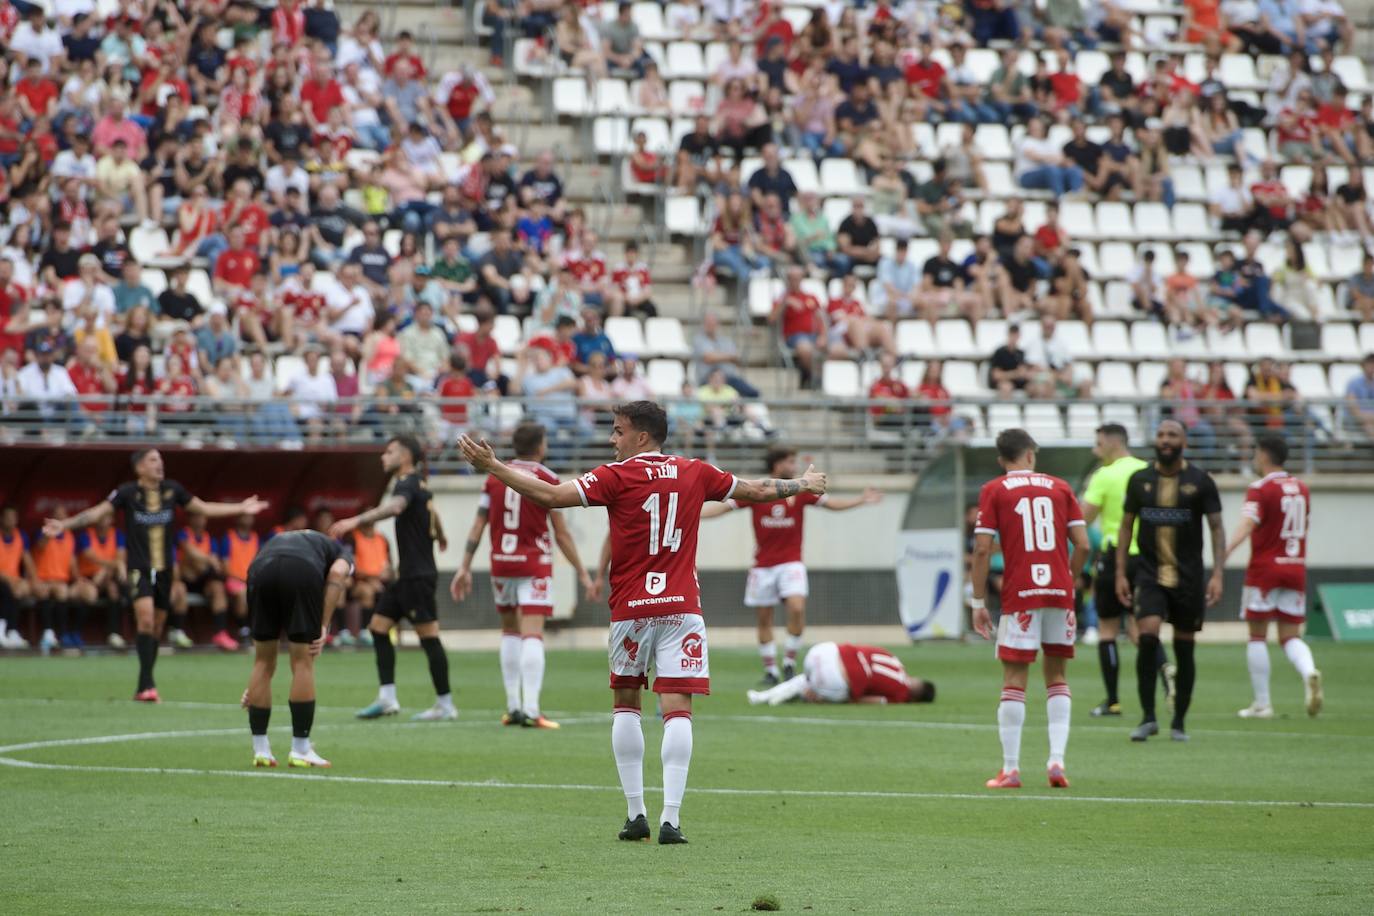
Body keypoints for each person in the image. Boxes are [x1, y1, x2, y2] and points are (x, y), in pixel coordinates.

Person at [456, 401, 827, 845]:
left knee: (626, 701)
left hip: (632, 610)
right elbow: (758, 490)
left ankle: (636, 814)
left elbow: (550, 496)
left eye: (617, 431)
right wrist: (803, 484)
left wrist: (493, 465)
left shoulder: (616, 477)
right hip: (682, 610)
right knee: (678, 710)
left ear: (642, 437)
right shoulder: (696, 471)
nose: (612, 439)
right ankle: (671, 819)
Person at [44, 450, 268, 702]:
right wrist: (64, 525)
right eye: (152, 460)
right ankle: (146, 684)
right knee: (146, 620)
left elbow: (203, 507)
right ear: (139, 468)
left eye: (160, 460)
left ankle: (146, 684)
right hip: (139, 568)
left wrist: (241, 507)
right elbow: (96, 513)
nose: (159, 464)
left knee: (157, 627)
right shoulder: (127, 492)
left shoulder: (173, 490)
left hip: (165, 570)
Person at [450, 424, 593, 728]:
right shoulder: (547, 478)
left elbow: (478, 526)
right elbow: (562, 534)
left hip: (502, 561)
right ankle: (531, 709)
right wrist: (582, 571)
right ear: (540, 446)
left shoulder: (495, 476)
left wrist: (463, 566)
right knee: (532, 633)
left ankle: (512, 706)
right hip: (533, 563)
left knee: (510, 631)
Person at [970, 429, 1090, 790]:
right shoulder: (1060, 486)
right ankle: (1056, 761)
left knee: (1014, 682)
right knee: (1057, 678)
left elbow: (980, 550)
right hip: (1059, 592)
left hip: (1021, 593)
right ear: (1031, 454)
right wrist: (1069, 577)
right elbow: (1082, 545)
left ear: (1001, 459)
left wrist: (978, 602)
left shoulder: (993, 490)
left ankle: (1011, 769)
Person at [701, 446, 881, 684]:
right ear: (776, 465)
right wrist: (694, 513)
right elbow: (723, 508)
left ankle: (788, 662)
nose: (793, 466)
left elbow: (832, 504)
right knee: (764, 618)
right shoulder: (760, 492)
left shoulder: (803, 493)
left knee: (796, 608)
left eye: (794, 461)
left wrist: (860, 500)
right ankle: (770, 671)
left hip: (791, 564)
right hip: (762, 566)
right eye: (788, 461)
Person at [330, 436, 454, 722]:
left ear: (406, 456)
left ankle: (445, 704)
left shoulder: (406, 483)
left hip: (418, 578)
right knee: (377, 627)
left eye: (390, 452)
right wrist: (442, 535)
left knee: (429, 637)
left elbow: (397, 507)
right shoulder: (419, 484)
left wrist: (355, 520)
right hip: (407, 577)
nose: (383, 457)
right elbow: (431, 511)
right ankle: (387, 698)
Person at [1114, 420, 1224, 742]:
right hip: (1149, 575)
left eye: (1172, 435)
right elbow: (1125, 526)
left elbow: (1217, 527)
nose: (1165, 440)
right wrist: (1121, 572)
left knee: (1184, 647)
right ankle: (1148, 717)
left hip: (1188, 578)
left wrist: (1217, 573)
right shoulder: (1140, 480)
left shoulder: (1200, 481)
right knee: (1147, 636)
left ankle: (1179, 721)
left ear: (1183, 442)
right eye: (1161, 434)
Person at [1224, 436, 1322, 719]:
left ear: (1264, 455)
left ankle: (1262, 703)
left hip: (1265, 570)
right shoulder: (1301, 488)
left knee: (1257, 636)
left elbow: (1247, 523)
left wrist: (1226, 551)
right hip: (1295, 566)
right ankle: (1309, 672)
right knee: (1290, 635)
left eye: (1255, 453)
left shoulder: (1260, 488)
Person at [240, 530, 354, 769]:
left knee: (262, 662)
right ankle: (301, 749)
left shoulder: (286, 538)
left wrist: (254, 686)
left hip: (260, 569)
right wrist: (323, 624)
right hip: (301, 571)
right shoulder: (340, 551)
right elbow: (337, 573)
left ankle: (261, 750)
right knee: (302, 661)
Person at [1080, 424, 1172, 718]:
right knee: (1141, 629)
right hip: (1147, 557)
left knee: (1107, 630)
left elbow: (1083, 518)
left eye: (1098, 444)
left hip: (1114, 557)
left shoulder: (1104, 475)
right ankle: (1167, 674)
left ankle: (1113, 701)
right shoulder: (1148, 470)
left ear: (1110, 443)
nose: (1095, 450)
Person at [746, 642, 936, 705]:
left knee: (805, 679)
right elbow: (874, 701)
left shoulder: (895, 660)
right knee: (835, 693)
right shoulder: (902, 694)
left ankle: (763, 697)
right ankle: (810, 695)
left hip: (820, 652)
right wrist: (845, 699)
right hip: (831, 680)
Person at [173, 510, 234, 651]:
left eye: (203, 516)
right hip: (184, 579)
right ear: (190, 518)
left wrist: (209, 562)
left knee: (218, 587)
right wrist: (209, 560)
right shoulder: (183, 534)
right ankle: (177, 631)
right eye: (197, 516)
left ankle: (220, 633)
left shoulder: (209, 538)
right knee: (184, 580)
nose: (201, 520)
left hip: (203, 580)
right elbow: (190, 552)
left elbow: (215, 564)